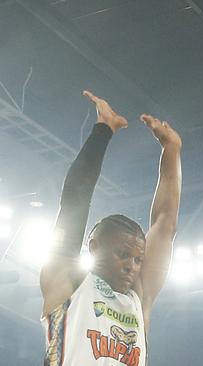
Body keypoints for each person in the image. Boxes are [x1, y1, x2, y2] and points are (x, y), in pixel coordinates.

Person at [40, 91, 182, 366]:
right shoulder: (67, 283)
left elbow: (165, 223)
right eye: (123, 254)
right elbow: (74, 200)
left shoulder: (138, 298)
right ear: (93, 247)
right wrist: (103, 129)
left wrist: (172, 150)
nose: (132, 265)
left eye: (138, 259)